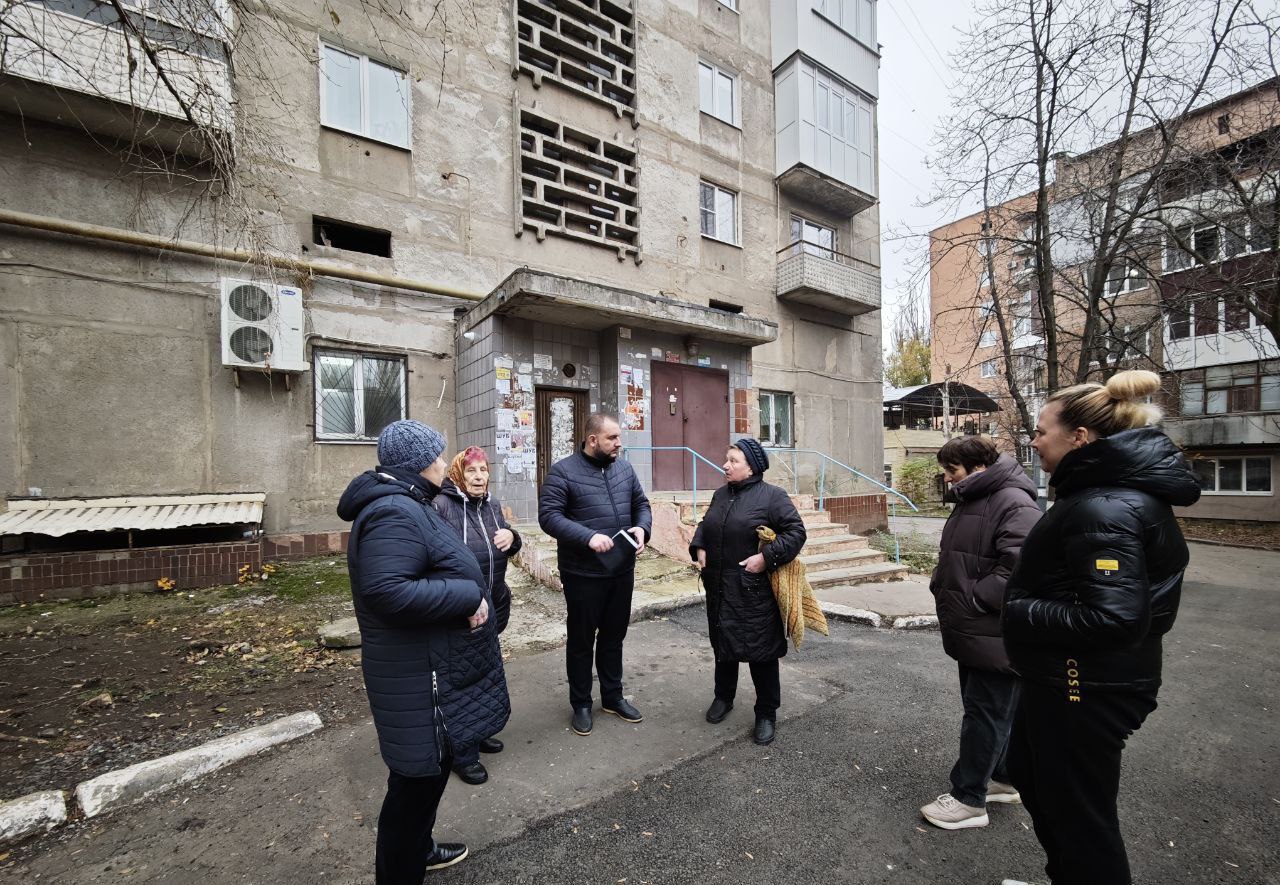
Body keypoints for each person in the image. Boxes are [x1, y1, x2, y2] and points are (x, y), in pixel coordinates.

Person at [1001, 370, 1200, 885]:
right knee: (1029, 773)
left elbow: (1113, 618)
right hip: (1072, 677)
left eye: (1042, 430)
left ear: (1080, 438)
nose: (1034, 439)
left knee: (1079, 816)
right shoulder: (1102, 496)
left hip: (1085, 684)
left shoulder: (1102, 506)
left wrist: (1017, 608)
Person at [337, 420, 509, 883]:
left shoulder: (408, 503)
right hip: (416, 675)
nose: (442, 461)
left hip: (429, 666)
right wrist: (467, 598)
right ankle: (400, 870)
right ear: (420, 463)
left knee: (429, 773)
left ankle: (419, 849)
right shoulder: (394, 510)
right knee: (413, 784)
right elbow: (387, 589)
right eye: (437, 455)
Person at [920, 435, 1041, 830]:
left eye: (952, 469)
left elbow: (1021, 570)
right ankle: (1003, 780)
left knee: (984, 715)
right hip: (977, 631)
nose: (947, 477)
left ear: (978, 467)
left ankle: (968, 798)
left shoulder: (1012, 501)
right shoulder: (977, 497)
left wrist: (975, 599)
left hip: (993, 631)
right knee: (991, 711)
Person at [538, 413, 652, 737]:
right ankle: (581, 704)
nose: (619, 444)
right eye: (612, 438)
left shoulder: (625, 469)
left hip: (621, 570)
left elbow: (641, 504)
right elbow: (548, 517)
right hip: (582, 573)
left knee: (614, 636)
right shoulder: (563, 472)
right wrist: (587, 536)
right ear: (592, 440)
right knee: (581, 641)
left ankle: (613, 697)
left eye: (618, 438)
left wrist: (643, 529)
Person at [689, 438, 806, 746]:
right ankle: (723, 698)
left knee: (761, 653)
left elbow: (796, 532)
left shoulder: (772, 497)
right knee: (723, 646)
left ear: (751, 467)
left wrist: (765, 558)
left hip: (753, 591)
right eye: (726, 459)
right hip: (719, 588)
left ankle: (766, 712)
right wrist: (699, 544)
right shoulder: (720, 494)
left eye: (733, 461)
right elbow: (706, 524)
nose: (725, 465)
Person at [434, 445, 522, 786]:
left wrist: (513, 538)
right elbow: (437, 559)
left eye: (483, 470)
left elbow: (510, 544)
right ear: (458, 473)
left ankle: (480, 730)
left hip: (493, 603)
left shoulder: (493, 505)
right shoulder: (442, 506)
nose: (479, 477)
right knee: (461, 681)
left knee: (485, 673)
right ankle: (462, 752)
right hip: (461, 610)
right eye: (472, 471)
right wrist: (462, 601)